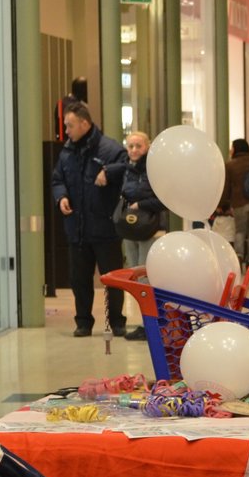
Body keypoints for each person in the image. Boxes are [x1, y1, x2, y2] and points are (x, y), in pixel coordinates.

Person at [50, 101, 127, 338]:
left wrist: (109, 172)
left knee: (112, 280)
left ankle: (117, 322)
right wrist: (61, 196)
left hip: (105, 228)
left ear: (85, 123)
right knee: (79, 279)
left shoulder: (110, 149)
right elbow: (57, 179)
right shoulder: (67, 151)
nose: (67, 130)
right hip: (78, 228)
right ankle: (83, 322)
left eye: (70, 125)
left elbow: (127, 168)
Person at [102, 131, 165, 341]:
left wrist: (141, 204)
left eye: (138, 146)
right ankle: (143, 322)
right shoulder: (126, 169)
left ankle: (151, 323)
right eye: (130, 146)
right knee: (135, 275)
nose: (134, 150)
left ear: (147, 147)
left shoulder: (155, 170)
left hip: (148, 229)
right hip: (130, 229)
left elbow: (162, 200)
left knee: (147, 277)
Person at [219, 138, 249, 269]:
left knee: (240, 231)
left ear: (236, 149)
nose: (231, 150)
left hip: (239, 203)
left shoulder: (230, 165)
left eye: (232, 147)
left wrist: (222, 204)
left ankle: (239, 256)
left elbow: (226, 187)